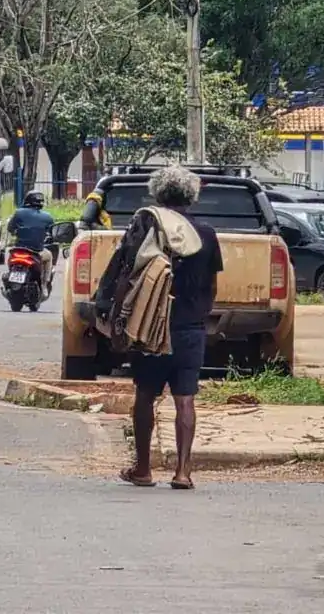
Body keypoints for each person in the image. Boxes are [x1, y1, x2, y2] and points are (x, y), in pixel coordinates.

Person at [110, 166, 222, 490]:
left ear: (157, 195)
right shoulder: (206, 234)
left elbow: (124, 274)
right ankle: (183, 473)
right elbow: (212, 285)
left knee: (145, 396)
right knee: (185, 399)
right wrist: (200, 315)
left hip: (148, 327)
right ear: (191, 196)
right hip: (190, 328)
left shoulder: (146, 229)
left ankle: (143, 469)